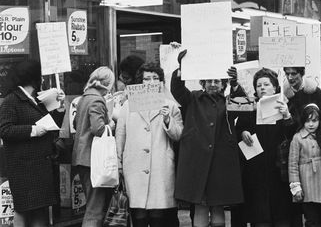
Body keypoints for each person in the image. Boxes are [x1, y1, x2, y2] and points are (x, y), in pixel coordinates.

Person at [171, 50, 244, 227]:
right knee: (201, 206)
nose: (213, 84)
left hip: (221, 162)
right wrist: (182, 67)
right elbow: (177, 89)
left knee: (218, 207)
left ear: (223, 84)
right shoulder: (193, 98)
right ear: (203, 83)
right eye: (209, 81)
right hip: (197, 161)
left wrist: (235, 83)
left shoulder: (229, 101)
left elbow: (243, 102)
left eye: (217, 81)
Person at [116, 62, 183, 227]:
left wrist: (168, 120)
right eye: (147, 79)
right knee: (138, 213)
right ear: (141, 82)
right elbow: (120, 135)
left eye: (155, 78)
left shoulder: (171, 105)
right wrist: (118, 163)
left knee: (157, 214)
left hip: (160, 166)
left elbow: (178, 135)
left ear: (161, 82)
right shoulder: (128, 105)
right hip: (134, 165)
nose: (151, 82)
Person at [0, 60, 65, 227]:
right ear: (33, 76)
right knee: (23, 210)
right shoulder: (11, 100)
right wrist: (34, 130)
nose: (42, 79)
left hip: (40, 167)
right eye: (40, 75)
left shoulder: (37, 100)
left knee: (40, 210)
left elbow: (50, 127)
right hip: (23, 168)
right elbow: (5, 130)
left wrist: (59, 108)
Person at [236, 68, 294, 227]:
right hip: (256, 170)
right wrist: (244, 132)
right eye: (259, 85)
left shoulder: (284, 105)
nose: (262, 87)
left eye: (266, 84)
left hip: (278, 169)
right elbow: (239, 129)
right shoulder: (249, 107)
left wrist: (287, 116)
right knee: (260, 216)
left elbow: (292, 135)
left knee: (281, 214)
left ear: (275, 87)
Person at [73, 66, 116, 227]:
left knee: (93, 205)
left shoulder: (84, 98)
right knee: (95, 209)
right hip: (93, 160)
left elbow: (77, 124)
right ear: (108, 84)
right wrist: (110, 123)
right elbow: (98, 128)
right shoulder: (97, 100)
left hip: (82, 158)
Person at [288, 103, 321, 227]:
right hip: (307, 182)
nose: (311, 124)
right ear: (302, 121)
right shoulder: (297, 138)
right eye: (307, 121)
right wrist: (296, 187)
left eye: (314, 120)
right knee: (312, 219)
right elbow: (292, 165)